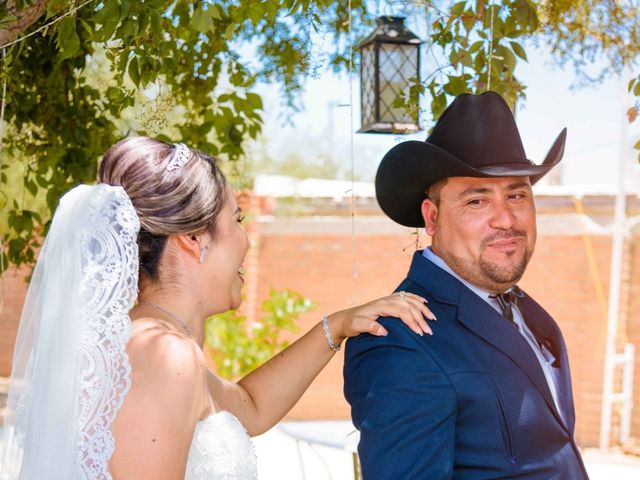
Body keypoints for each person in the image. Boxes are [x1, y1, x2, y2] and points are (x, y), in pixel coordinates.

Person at [0, 136, 435, 479]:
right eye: (237, 221)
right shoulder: (164, 355)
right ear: (194, 239)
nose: (247, 239)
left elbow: (250, 406)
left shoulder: (151, 345)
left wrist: (336, 325)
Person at [343, 91, 590, 479]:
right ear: (432, 217)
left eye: (517, 194)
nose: (506, 219)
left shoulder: (525, 310)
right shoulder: (399, 340)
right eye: (477, 201)